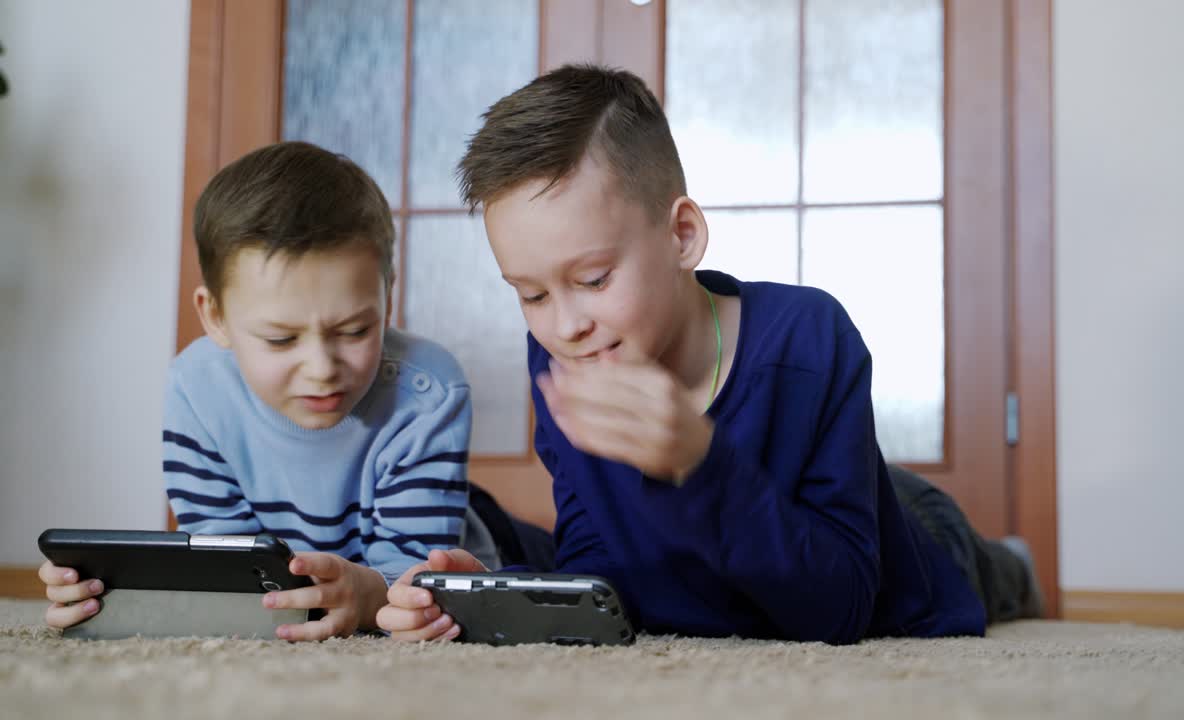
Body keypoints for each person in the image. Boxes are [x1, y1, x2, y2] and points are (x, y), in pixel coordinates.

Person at [377, 65, 1042, 645]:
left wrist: (698, 463)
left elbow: (841, 611)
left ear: (684, 236)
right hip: (806, 512)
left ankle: (1012, 561)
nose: (565, 324)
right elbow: (601, 562)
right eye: (530, 294)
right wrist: (498, 592)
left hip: (903, 537)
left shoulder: (809, 339)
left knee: (979, 563)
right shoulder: (564, 351)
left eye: (594, 280)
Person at [38, 141, 552, 641]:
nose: (322, 369)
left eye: (353, 331)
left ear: (386, 297)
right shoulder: (197, 389)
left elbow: (416, 576)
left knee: (557, 578)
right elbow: (225, 557)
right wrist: (111, 596)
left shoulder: (428, 390)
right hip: (318, 558)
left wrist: (370, 596)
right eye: (281, 339)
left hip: (461, 537)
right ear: (215, 317)